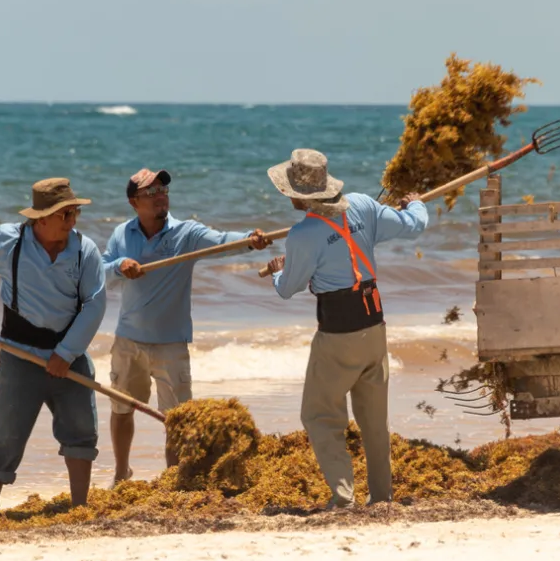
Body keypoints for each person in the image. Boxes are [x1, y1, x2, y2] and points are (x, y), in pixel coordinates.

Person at [265, 149, 428, 509]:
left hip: (338, 333)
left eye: (290, 190)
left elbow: (287, 289)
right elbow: (412, 224)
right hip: (374, 324)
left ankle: (343, 497)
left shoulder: (302, 235)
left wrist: (279, 269)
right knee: (373, 419)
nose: (288, 195)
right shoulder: (363, 206)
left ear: (301, 195)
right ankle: (382, 497)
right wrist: (415, 204)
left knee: (320, 415)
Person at [101, 168, 271, 484]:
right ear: (133, 202)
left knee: (177, 420)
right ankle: (121, 473)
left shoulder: (186, 233)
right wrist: (120, 267)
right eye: (150, 193)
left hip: (171, 343)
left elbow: (222, 241)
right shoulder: (122, 234)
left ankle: (173, 478)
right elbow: (101, 272)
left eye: (163, 189)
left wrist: (250, 240)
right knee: (122, 409)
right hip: (128, 340)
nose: (159, 196)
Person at [0, 178, 106, 515]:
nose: (72, 220)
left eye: (74, 212)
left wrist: (66, 354)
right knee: (5, 432)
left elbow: (94, 304)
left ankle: (80, 506)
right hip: (19, 352)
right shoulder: (8, 241)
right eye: (65, 214)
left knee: (81, 429)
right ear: (41, 218)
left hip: (69, 353)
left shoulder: (84, 250)